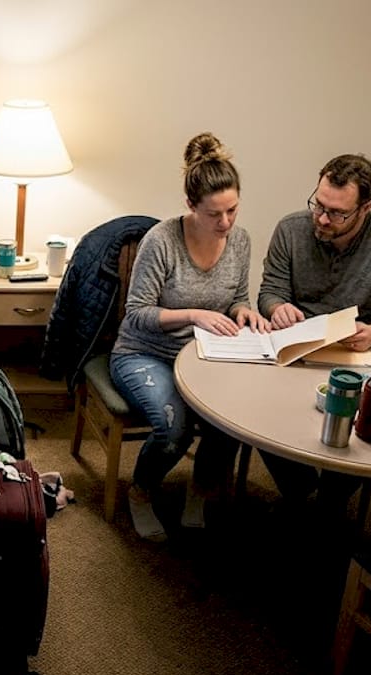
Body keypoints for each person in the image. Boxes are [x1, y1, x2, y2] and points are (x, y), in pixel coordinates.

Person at [109, 132, 269, 542]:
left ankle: (200, 489)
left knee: (230, 420)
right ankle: (141, 491)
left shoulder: (240, 240)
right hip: (144, 352)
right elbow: (137, 313)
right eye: (214, 214)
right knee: (173, 427)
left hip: (205, 354)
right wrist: (197, 314)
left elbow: (237, 297)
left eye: (232, 210)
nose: (226, 223)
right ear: (190, 206)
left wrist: (243, 311)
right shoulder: (161, 241)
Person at [256, 153, 371, 509]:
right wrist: (278, 308)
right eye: (318, 204)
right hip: (298, 351)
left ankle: (331, 502)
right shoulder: (290, 229)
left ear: (366, 208)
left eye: (337, 213)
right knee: (257, 415)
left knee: (367, 429)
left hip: (360, 358)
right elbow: (269, 292)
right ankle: (302, 493)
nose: (322, 218)